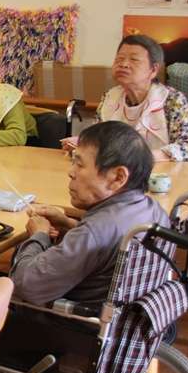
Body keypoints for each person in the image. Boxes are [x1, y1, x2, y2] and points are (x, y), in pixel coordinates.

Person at [12, 121, 169, 305]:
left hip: (65, 320)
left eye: (79, 164)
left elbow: (25, 285)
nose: (71, 172)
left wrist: (39, 235)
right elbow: (105, 242)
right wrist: (68, 223)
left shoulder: (93, 233)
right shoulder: (156, 212)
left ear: (118, 177)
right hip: (130, 320)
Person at [62, 35, 188, 162]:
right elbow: (100, 137)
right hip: (117, 172)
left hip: (161, 174)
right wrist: (83, 143)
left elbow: (187, 147)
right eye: (119, 59)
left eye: (134, 60)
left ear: (153, 70)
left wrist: (145, 158)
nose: (123, 64)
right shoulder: (110, 97)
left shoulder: (172, 99)